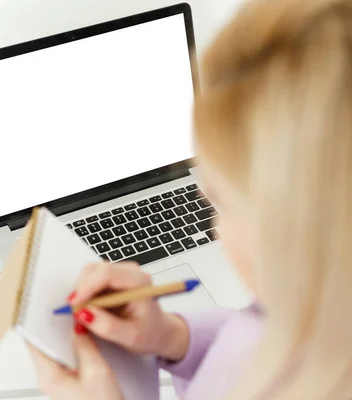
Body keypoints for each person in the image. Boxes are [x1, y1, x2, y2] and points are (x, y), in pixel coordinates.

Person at [27, 0, 352, 398]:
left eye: (222, 200)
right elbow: (257, 333)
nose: (200, 196)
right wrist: (173, 338)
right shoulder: (315, 306)